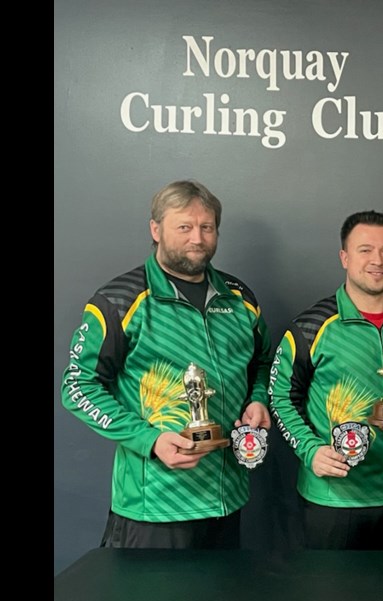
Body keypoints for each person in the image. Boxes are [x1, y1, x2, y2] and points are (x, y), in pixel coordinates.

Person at [60, 179, 272, 549]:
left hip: (227, 496)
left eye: (207, 227)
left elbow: (264, 363)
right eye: (184, 227)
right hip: (154, 504)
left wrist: (258, 400)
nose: (197, 238)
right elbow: (78, 387)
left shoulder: (240, 298)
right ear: (155, 229)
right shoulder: (120, 301)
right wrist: (150, 439)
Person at [269, 211, 383, 550]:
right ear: (344, 258)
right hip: (336, 499)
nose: (377, 260)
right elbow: (280, 398)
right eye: (365, 250)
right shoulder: (311, 327)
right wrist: (310, 449)